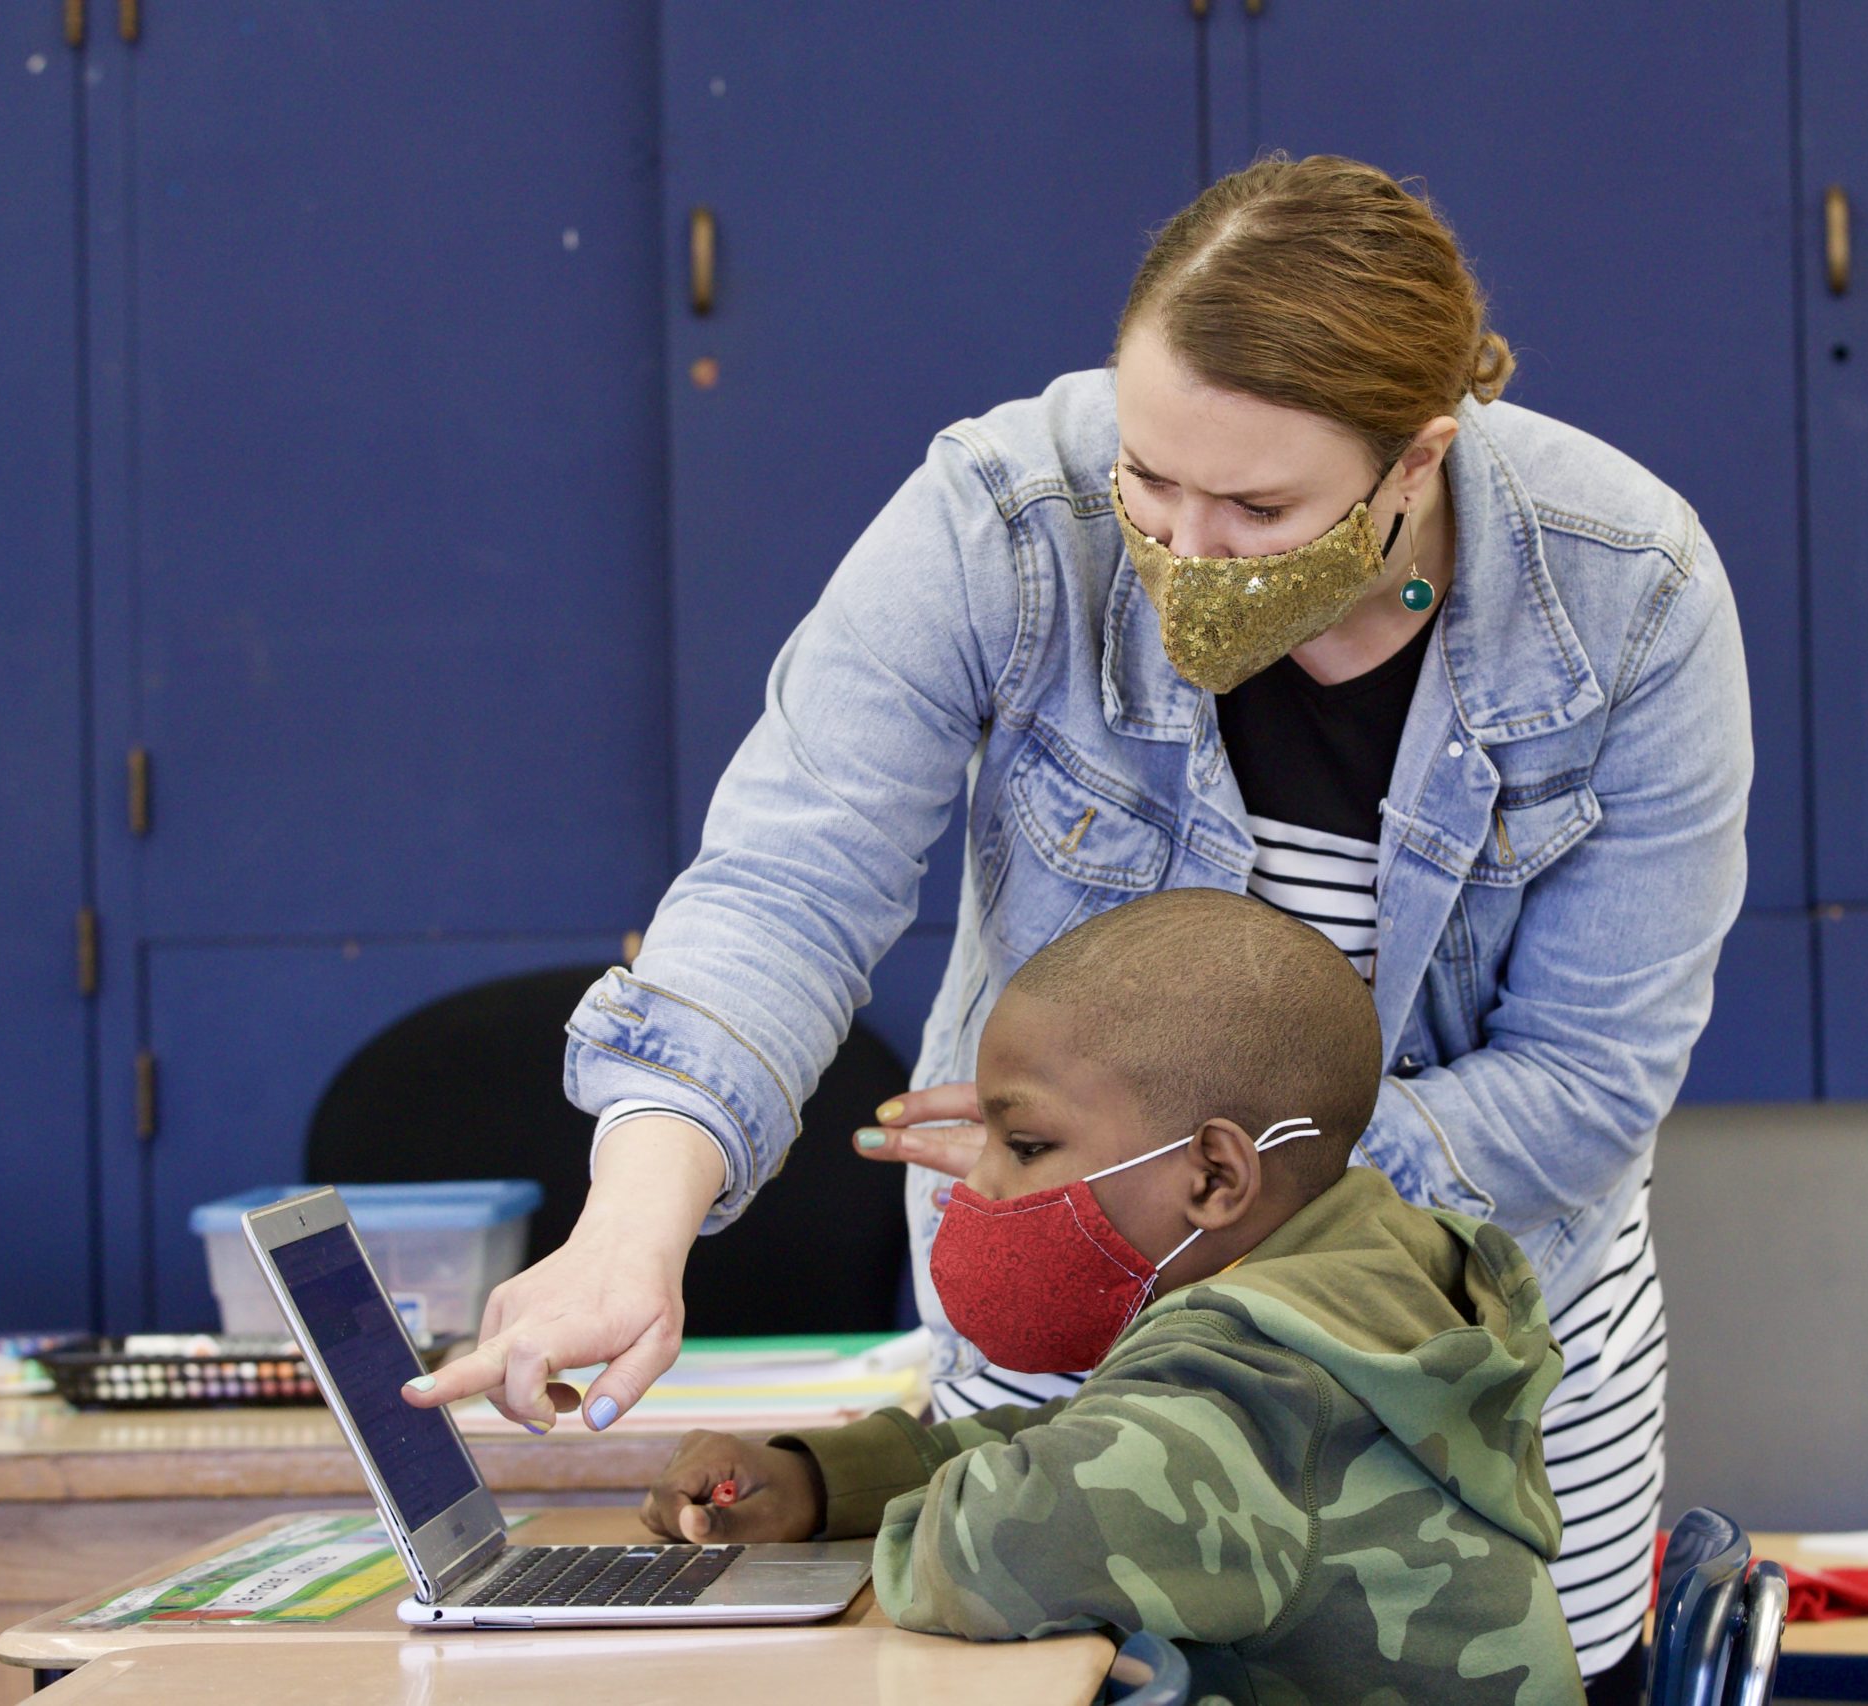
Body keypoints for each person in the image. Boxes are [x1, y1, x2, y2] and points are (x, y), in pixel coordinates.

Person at [411, 153, 1751, 1695]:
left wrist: (1146, 1190)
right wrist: (630, 1228)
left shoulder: (1627, 594)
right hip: (1061, 1387)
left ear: (1417, 459)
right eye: (1151, 477)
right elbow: (788, 881)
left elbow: (1586, 1079)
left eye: (1261, 506)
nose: (1185, 548)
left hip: (1439, 1415)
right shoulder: (1005, 514)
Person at [644, 890, 1585, 1705]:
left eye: (1025, 1147)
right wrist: (824, 1482)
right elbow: (1095, 1439)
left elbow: (998, 1551)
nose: (978, 1187)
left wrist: (903, 1514)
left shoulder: (1264, 1383)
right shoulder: (1356, 1278)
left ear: (1216, 1176)